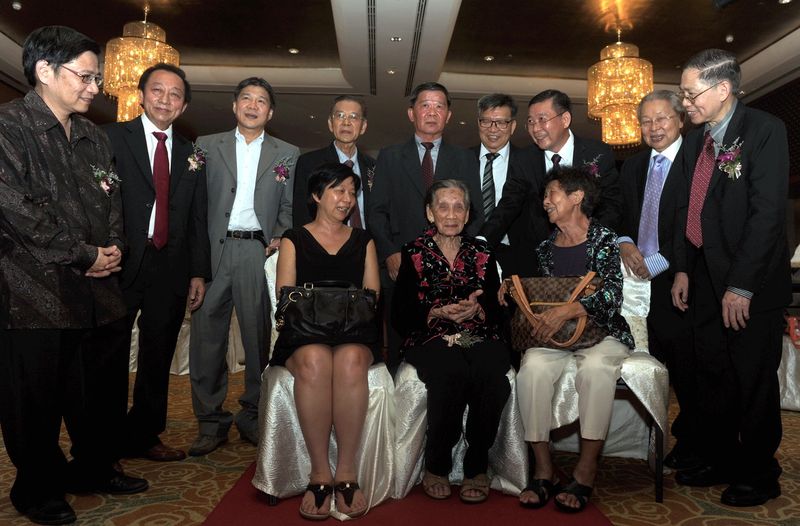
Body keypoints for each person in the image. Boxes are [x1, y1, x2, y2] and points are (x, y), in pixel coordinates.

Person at [0, 25, 147, 525]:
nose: (94, 87)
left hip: (99, 290)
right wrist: (82, 253)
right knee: (34, 399)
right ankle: (36, 488)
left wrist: (112, 248)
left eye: (96, 78)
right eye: (85, 76)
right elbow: (17, 210)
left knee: (99, 392)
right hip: (33, 292)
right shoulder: (9, 127)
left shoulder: (93, 135)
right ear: (44, 70)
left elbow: (113, 199)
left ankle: (95, 466)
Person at [670, 49, 789, 507]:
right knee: (713, 376)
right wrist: (683, 267)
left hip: (748, 284)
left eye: (690, 93)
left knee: (752, 380)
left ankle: (759, 471)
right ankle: (721, 458)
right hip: (703, 276)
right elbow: (689, 209)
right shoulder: (700, 141)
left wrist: (742, 285)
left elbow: (767, 216)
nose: (685, 104)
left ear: (723, 89)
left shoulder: (763, 131)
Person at [103, 63, 211, 462]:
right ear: (142, 94)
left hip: (171, 266)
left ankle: (145, 434)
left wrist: (199, 271)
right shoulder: (111, 138)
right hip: (120, 261)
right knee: (110, 352)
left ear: (183, 106)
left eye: (175, 94)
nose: (165, 99)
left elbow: (198, 216)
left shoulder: (191, 153)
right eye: (158, 91)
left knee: (158, 353)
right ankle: (107, 435)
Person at [189, 77, 298, 456]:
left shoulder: (288, 153)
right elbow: (194, 204)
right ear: (234, 105)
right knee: (206, 340)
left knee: (257, 339)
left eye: (262, 101)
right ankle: (210, 421)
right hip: (213, 253)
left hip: (258, 252)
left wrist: (282, 236)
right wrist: (195, 263)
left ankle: (252, 414)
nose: (253, 105)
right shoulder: (205, 146)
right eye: (246, 99)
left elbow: (289, 207)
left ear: (271, 111)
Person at [514, 166, 634, 513]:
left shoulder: (607, 240)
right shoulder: (544, 248)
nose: (545, 201)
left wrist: (570, 310)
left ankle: (586, 467)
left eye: (552, 194)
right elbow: (543, 296)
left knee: (596, 370)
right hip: (556, 337)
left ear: (577, 197)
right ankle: (544, 467)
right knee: (532, 368)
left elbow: (612, 296)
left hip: (602, 331)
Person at [393, 179, 510, 504]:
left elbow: (499, 308)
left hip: (476, 334)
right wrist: (435, 311)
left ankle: (477, 465)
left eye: (459, 206)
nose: (451, 213)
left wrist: (479, 308)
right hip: (430, 334)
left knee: (492, 371)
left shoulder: (482, 252)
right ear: (430, 213)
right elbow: (400, 314)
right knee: (450, 371)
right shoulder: (413, 252)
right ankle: (437, 464)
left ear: (468, 213)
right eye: (442, 206)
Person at [274, 162, 380, 520]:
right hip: (304, 332)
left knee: (350, 360)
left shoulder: (364, 240)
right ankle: (320, 472)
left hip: (354, 332)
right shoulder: (294, 238)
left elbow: (372, 297)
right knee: (316, 360)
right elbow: (285, 295)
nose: (347, 199)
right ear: (317, 196)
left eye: (352, 192)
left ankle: (347, 471)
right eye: (338, 190)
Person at [368, 82, 481, 372]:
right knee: (399, 344)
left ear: (449, 115)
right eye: (425, 105)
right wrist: (390, 253)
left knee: (452, 344)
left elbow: (474, 213)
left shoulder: (466, 158)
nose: (432, 112)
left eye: (439, 106)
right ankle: (399, 414)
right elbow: (376, 211)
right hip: (400, 266)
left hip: (451, 270)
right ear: (411, 113)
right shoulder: (390, 157)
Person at [618, 90, 699, 471]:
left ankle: (692, 443)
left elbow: (695, 224)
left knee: (686, 369)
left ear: (680, 119)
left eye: (662, 118)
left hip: (679, 280)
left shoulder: (697, 163)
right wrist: (624, 242)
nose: (654, 127)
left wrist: (660, 261)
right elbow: (619, 213)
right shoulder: (633, 167)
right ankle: (648, 442)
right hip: (636, 284)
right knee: (652, 362)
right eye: (646, 121)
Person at [470, 93, 545, 278]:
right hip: (470, 256)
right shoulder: (461, 160)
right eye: (486, 121)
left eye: (502, 122)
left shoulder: (531, 162)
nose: (493, 129)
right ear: (479, 124)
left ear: (512, 127)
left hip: (519, 258)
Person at [293, 95, 375, 228]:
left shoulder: (374, 166)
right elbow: (301, 212)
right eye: (340, 116)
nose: (346, 122)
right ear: (331, 124)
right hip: (324, 243)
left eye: (353, 117)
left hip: (368, 244)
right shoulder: (309, 163)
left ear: (363, 126)